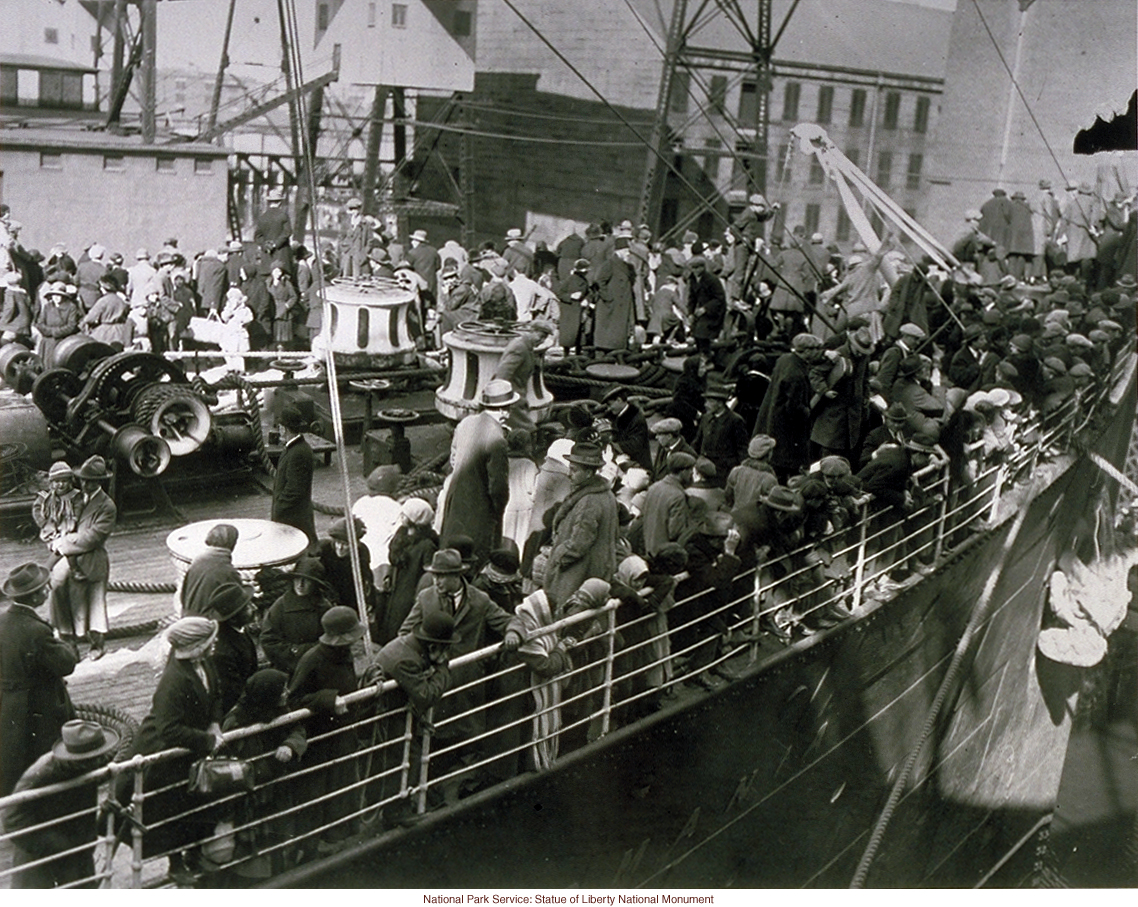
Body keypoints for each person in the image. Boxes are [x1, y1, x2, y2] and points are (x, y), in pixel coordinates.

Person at [398, 549, 517, 797]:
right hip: (436, 680)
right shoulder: (426, 598)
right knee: (432, 738)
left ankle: (458, 789)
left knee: (467, 737)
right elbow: (404, 633)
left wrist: (514, 633)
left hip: (467, 682)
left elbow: (509, 620)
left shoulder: (480, 600)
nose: (437, 581)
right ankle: (429, 794)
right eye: (434, 576)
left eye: (442, 576)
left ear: (456, 576)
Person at [115, 617, 223, 881]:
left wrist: (214, 724)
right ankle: (176, 866)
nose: (215, 642)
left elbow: (216, 694)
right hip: (166, 753)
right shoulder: (174, 680)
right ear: (196, 646)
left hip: (193, 744)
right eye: (210, 640)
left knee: (200, 802)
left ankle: (195, 854)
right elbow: (168, 729)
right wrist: (207, 741)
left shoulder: (205, 663)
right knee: (172, 810)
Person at [2, 719, 119, 888]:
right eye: (90, 759)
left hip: (79, 848)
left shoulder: (92, 758)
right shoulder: (41, 774)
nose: (96, 762)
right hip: (42, 852)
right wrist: (57, 845)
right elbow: (11, 818)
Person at [286, 606, 364, 852]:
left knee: (342, 780)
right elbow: (294, 700)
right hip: (319, 736)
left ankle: (337, 832)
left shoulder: (343, 655)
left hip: (342, 731)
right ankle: (311, 844)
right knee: (318, 787)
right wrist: (329, 699)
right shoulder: (312, 660)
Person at [217, 670, 307, 882]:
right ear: (268, 694)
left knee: (280, 828)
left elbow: (298, 729)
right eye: (282, 689)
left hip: (275, 785)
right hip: (251, 792)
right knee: (255, 837)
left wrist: (290, 745)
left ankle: (280, 870)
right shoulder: (235, 721)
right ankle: (253, 877)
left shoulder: (279, 709)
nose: (287, 692)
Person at [0, 563, 78, 797]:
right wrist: (67, 647)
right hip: (38, 703)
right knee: (45, 753)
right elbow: (66, 664)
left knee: (13, 753)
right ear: (34, 596)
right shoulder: (37, 631)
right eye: (44, 588)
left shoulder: (3, 621)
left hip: (8, 702)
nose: (48, 590)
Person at [47, 456, 116, 659]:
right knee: (58, 588)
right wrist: (53, 537)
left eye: (92, 481)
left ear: (100, 482)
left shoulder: (107, 506)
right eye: (83, 479)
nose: (86, 484)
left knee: (94, 601)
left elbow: (93, 537)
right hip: (67, 556)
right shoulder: (73, 497)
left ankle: (97, 644)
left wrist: (63, 543)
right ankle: (69, 643)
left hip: (91, 555)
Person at [440, 379, 513, 564]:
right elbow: (497, 487)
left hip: (455, 503)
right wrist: (498, 512)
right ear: (505, 410)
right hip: (479, 513)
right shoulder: (497, 439)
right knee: (475, 560)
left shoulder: (465, 423)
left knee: (451, 554)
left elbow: (454, 458)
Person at [542, 442, 620, 609]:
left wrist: (557, 556)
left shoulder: (588, 501)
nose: (569, 474)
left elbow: (579, 543)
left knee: (570, 617)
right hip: (597, 571)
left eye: (574, 470)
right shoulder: (607, 495)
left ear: (589, 472)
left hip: (578, 575)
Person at [754, 333, 821, 481]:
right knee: (784, 467)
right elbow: (794, 409)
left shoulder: (785, 360)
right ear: (807, 351)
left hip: (772, 419)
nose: (819, 352)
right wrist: (812, 409)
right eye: (816, 349)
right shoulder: (796, 375)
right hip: (786, 430)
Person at [377, 497, 438, 645]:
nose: (401, 517)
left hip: (410, 591)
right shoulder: (401, 535)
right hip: (395, 587)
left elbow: (427, 576)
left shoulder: (427, 545)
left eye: (405, 515)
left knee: (400, 623)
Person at [260, 556, 333, 674]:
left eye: (307, 580)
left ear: (315, 584)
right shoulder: (280, 606)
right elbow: (268, 641)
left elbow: (331, 639)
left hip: (318, 667)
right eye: (297, 578)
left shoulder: (324, 607)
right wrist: (295, 651)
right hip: (287, 668)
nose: (301, 584)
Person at [204, 582, 258, 716]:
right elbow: (232, 696)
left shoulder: (238, 631)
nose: (255, 607)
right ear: (234, 618)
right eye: (248, 607)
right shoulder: (222, 653)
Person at [271, 403, 316, 544]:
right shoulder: (295, 448)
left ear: (283, 429)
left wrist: (278, 509)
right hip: (295, 515)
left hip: (293, 517)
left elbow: (294, 490)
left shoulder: (298, 453)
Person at [180, 522, 242, 617]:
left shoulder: (197, 561)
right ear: (232, 544)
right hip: (207, 622)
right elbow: (238, 602)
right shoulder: (228, 571)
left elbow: (183, 595)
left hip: (187, 616)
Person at [642, 450, 696, 556]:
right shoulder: (677, 496)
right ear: (683, 471)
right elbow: (675, 531)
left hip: (649, 548)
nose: (692, 474)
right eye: (690, 470)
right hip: (667, 555)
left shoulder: (654, 488)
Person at [694, 384, 749, 484]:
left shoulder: (735, 421)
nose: (705, 404)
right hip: (703, 469)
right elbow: (697, 442)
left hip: (723, 473)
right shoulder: (706, 418)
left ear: (720, 403)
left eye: (710, 401)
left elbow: (742, 449)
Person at [32, 461, 79, 563]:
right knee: (58, 547)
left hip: (71, 528)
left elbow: (80, 511)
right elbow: (37, 509)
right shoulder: (47, 497)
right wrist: (44, 523)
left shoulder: (76, 496)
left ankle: (66, 567)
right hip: (53, 530)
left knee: (69, 547)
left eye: (64, 481)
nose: (61, 484)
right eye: (57, 481)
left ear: (71, 481)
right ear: (51, 483)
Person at [601, 385, 652, 472]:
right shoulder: (611, 415)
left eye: (610, 404)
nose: (609, 408)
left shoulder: (637, 419)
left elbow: (635, 445)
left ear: (619, 400)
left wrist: (612, 444)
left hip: (637, 466)